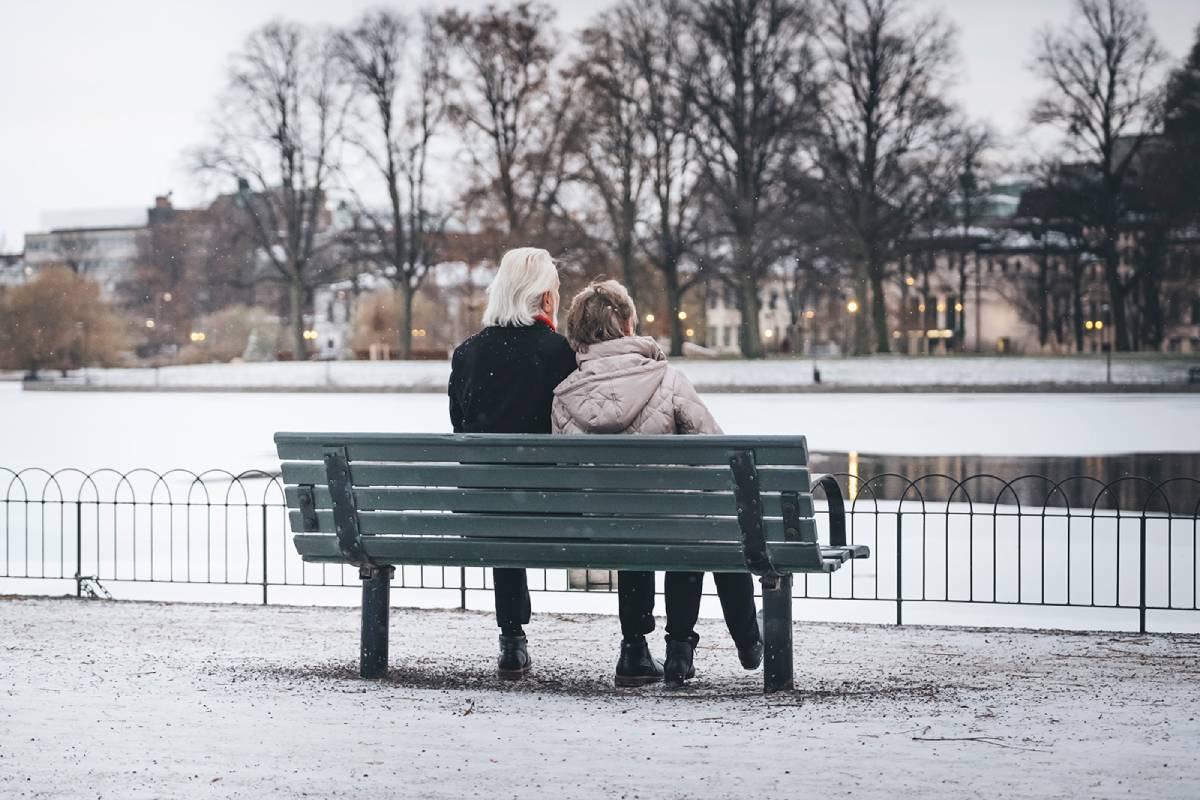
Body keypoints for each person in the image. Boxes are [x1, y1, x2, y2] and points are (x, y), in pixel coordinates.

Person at [551, 279, 764, 688]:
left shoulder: (564, 394)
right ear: (629, 324)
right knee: (689, 524)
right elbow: (716, 448)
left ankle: (633, 647)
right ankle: (681, 648)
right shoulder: (668, 379)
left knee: (633, 524)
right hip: (672, 523)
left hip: (603, 528)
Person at [448, 247, 577, 679]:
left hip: (487, 511)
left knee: (500, 488)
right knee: (517, 488)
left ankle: (511, 638)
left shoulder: (468, 354)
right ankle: (634, 643)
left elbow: (460, 428)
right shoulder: (560, 353)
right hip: (557, 513)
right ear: (544, 299)